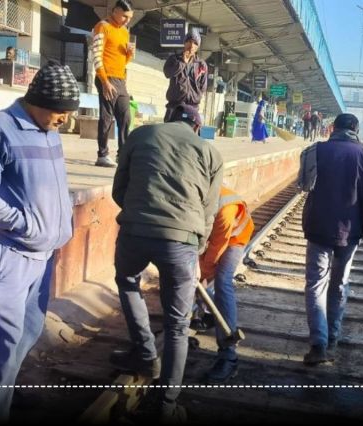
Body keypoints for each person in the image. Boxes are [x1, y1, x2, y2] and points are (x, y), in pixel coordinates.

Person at [0, 60, 80, 423]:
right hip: (13, 252)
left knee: (28, 331)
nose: (64, 120)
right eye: (60, 112)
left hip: (44, 255)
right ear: (38, 101)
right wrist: (22, 224)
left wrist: (62, 223)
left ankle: (2, 400)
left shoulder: (52, 131)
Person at [110, 104, 223, 421]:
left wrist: (141, 212)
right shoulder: (210, 152)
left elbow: (120, 189)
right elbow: (208, 210)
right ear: (197, 128)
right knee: (177, 325)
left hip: (135, 231)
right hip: (182, 240)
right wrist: (197, 248)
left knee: (128, 281)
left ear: (169, 118)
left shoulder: (140, 134)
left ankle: (146, 354)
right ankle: (166, 407)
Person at [297, 113, 363, 365]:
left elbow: (303, 184)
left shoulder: (315, 150)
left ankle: (318, 344)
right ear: (356, 130)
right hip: (351, 231)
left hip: (317, 227)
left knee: (315, 284)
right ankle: (332, 336)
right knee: (339, 284)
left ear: (333, 128)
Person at [199, 186, 254, 383]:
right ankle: (208, 313)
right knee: (192, 276)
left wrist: (202, 274)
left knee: (222, 279)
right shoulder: (191, 194)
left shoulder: (225, 209)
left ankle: (228, 355)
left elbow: (216, 248)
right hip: (212, 235)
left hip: (235, 238)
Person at [91, 0, 135, 168]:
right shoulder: (102, 26)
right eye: (124, 16)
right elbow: (96, 56)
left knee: (125, 117)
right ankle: (102, 155)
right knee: (106, 117)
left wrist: (129, 54)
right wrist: (104, 81)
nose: (126, 20)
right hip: (106, 78)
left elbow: (123, 62)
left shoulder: (125, 32)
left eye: (129, 17)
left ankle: (122, 155)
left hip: (120, 79)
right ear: (115, 10)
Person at [163, 29, 208, 122]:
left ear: (198, 47)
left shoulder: (201, 64)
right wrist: (182, 63)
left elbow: (203, 86)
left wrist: (196, 96)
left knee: (191, 134)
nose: (191, 46)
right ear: (184, 43)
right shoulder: (174, 59)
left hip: (192, 107)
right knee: (171, 134)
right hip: (174, 106)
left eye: (195, 43)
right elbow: (167, 73)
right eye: (189, 42)